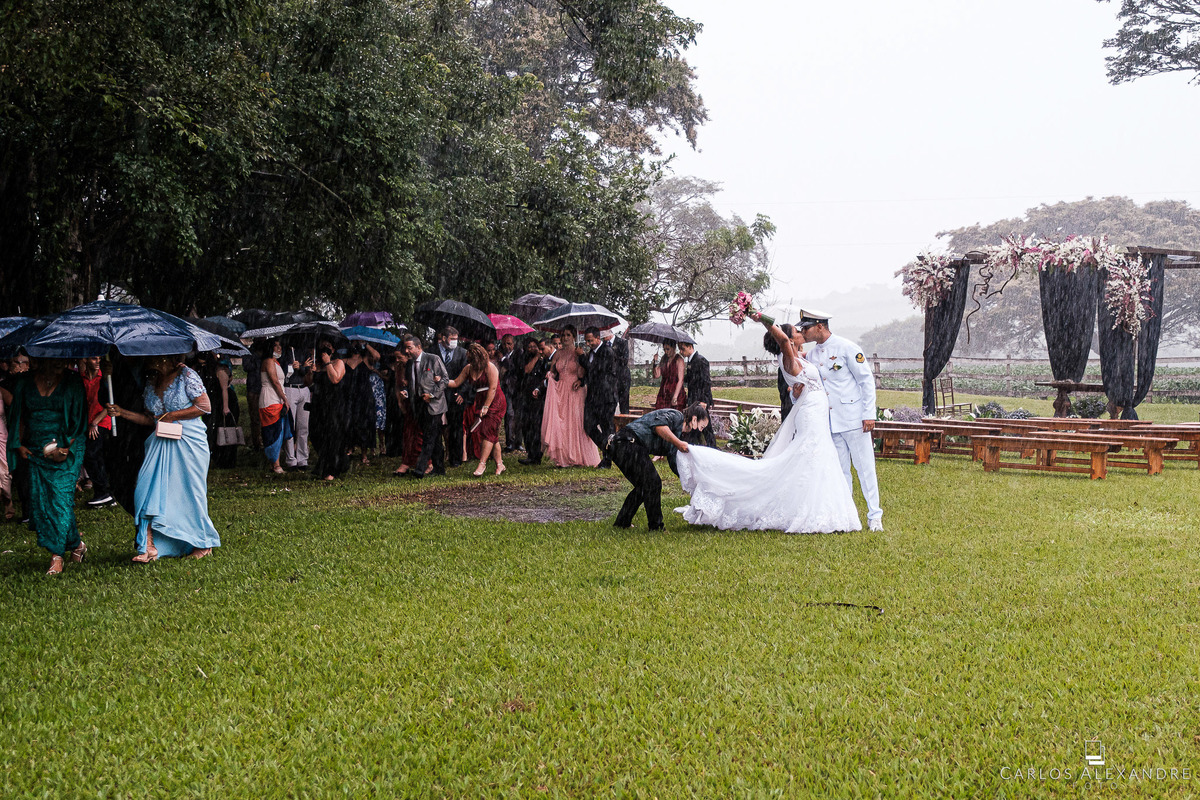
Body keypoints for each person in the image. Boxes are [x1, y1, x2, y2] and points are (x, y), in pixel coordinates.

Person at [676, 313, 861, 533]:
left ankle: (823, 508)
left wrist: (796, 391)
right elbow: (782, 341)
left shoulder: (799, 357)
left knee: (817, 457)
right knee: (813, 455)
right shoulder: (787, 359)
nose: (801, 333)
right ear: (788, 339)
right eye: (796, 331)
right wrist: (760, 316)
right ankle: (812, 511)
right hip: (810, 413)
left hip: (815, 409)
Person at [106, 354, 221, 561]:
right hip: (159, 441)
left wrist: (172, 415)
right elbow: (151, 419)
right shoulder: (152, 381)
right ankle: (151, 544)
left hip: (189, 442)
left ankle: (202, 543)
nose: (145, 360)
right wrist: (122, 413)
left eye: (150, 356)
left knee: (189, 493)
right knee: (146, 490)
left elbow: (205, 406)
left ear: (164, 357)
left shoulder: (186, 375)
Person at [800, 309, 883, 531]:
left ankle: (875, 515)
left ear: (820, 326)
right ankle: (847, 515)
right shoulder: (813, 355)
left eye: (806, 327)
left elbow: (866, 380)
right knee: (840, 470)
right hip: (830, 421)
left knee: (865, 468)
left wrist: (869, 414)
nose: (803, 332)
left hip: (854, 418)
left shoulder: (847, 347)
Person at [7, 357, 88, 573]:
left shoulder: (72, 381)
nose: (57, 364)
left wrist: (65, 449)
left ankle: (57, 555)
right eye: (51, 360)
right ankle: (77, 545)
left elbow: (79, 418)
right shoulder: (25, 381)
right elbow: (19, 415)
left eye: (62, 360)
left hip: (67, 446)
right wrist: (19, 445)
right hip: (35, 448)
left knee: (60, 497)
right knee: (42, 501)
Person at [609, 402, 709, 531]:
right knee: (652, 483)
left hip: (625, 447)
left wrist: (692, 481)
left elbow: (674, 463)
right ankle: (656, 527)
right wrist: (678, 443)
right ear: (694, 419)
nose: (700, 431)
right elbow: (659, 426)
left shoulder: (677, 435)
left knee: (643, 486)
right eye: (701, 427)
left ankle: (622, 522)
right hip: (627, 443)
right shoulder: (676, 416)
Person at [540, 325, 600, 467]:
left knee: (576, 422)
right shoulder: (558, 353)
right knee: (563, 423)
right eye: (563, 335)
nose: (565, 337)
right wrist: (551, 374)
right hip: (561, 390)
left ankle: (579, 456)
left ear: (574, 337)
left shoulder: (579, 352)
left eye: (568, 335)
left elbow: (585, 373)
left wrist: (580, 361)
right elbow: (553, 370)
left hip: (575, 390)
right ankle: (564, 457)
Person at [448, 343, 508, 477]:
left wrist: (486, 406)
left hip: (495, 400)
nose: (473, 363)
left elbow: (493, 388)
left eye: (475, 361)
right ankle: (500, 464)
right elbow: (456, 383)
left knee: (487, 431)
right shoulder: (468, 368)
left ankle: (482, 464)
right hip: (480, 400)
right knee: (491, 434)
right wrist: (441, 380)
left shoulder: (490, 367)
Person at [403, 334, 449, 478]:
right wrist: (407, 393)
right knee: (434, 438)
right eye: (406, 348)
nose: (406, 351)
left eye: (409, 348)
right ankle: (439, 469)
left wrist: (433, 395)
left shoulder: (432, 359)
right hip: (418, 405)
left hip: (434, 405)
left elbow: (445, 379)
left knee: (429, 437)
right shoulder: (410, 364)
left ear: (418, 347)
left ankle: (420, 469)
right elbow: (413, 384)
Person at [307, 341, 349, 481]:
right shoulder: (316, 364)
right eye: (322, 346)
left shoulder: (338, 362)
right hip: (319, 404)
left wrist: (327, 363)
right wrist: (309, 371)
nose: (324, 348)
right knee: (316, 434)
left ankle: (331, 470)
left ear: (333, 349)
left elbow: (335, 379)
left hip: (334, 405)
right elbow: (308, 383)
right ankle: (339, 461)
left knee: (332, 437)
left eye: (328, 346)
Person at [78, 355, 115, 504]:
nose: (98, 361)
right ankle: (104, 492)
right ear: (85, 360)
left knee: (91, 454)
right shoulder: (81, 379)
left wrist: (95, 422)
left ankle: (103, 491)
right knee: (94, 456)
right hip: (88, 422)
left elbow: (110, 405)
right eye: (94, 358)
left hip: (101, 421)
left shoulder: (105, 378)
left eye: (100, 358)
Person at [194, 351, 239, 469]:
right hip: (213, 401)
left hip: (223, 401)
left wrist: (225, 407)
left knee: (223, 428)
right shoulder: (202, 370)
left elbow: (224, 389)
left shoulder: (220, 370)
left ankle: (225, 458)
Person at [581, 326, 617, 468]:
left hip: (606, 397)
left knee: (607, 428)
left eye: (590, 340)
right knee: (588, 425)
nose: (588, 343)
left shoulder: (607, 351)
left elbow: (595, 370)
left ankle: (607, 460)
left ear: (598, 338)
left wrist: (581, 358)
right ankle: (608, 449)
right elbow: (589, 374)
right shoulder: (591, 353)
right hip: (593, 397)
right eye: (586, 341)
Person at [436, 327, 470, 467]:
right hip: (437, 395)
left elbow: (468, 375)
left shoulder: (462, 353)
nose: (455, 342)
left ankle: (455, 459)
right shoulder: (432, 351)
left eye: (457, 339)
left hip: (455, 395)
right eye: (452, 339)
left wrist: (462, 392)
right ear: (443, 338)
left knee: (456, 427)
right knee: (436, 427)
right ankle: (437, 458)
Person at [259, 340, 291, 474]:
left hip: (278, 398)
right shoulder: (268, 361)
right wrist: (285, 398)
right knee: (273, 431)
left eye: (280, 345)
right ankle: (275, 464)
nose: (279, 348)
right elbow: (275, 382)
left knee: (280, 429)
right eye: (276, 346)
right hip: (270, 399)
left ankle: (275, 462)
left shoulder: (276, 362)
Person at [516, 336, 549, 465]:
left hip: (538, 398)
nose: (533, 349)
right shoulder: (523, 358)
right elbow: (526, 370)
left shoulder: (544, 361)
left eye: (534, 346)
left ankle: (537, 455)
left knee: (536, 427)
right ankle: (530, 453)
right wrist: (535, 357)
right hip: (525, 396)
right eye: (530, 347)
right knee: (526, 426)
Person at [342, 344, 377, 465]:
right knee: (349, 422)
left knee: (364, 424)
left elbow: (377, 356)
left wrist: (366, 344)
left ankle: (364, 453)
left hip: (364, 397)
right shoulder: (343, 361)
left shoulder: (366, 360)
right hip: (349, 396)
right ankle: (349, 448)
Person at [680, 341, 718, 448]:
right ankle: (698, 445)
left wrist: (704, 400)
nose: (681, 351)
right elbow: (691, 379)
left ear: (690, 347)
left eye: (683, 349)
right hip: (694, 398)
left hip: (700, 399)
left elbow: (706, 381)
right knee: (698, 423)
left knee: (704, 425)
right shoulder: (691, 361)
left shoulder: (701, 360)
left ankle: (711, 447)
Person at [281, 343, 313, 471]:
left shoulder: (303, 350)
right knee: (290, 425)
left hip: (303, 388)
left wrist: (301, 367)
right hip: (289, 388)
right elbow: (281, 372)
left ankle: (302, 458)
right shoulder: (283, 352)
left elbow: (306, 370)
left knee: (303, 426)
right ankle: (291, 460)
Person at [498, 334, 522, 453]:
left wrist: (504, 360)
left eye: (509, 343)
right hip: (506, 389)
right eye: (504, 344)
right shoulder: (499, 354)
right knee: (509, 414)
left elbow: (514, 368)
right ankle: (509, 442)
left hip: (517, 388)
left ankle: (518, 442)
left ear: (513, 344)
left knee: (518, 415)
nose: (506, 346)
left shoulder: (519, 353)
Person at [652, 339, 686, 411]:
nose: (666, 352)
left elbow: (681, 380)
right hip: (664, 393)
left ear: (673, 348)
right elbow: (657, 375)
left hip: (675, 392)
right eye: (664, 349)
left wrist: (675, 396)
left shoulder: (679, 360)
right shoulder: (664, 359)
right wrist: (655, 363)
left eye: (668, 349)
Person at [609, 329, 632, 414]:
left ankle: (624, 425)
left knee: (624, 405)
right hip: (610, 380)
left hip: (622, 378)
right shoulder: (603, 345)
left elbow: (625, 361)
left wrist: (612, 354)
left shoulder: (622, 342)